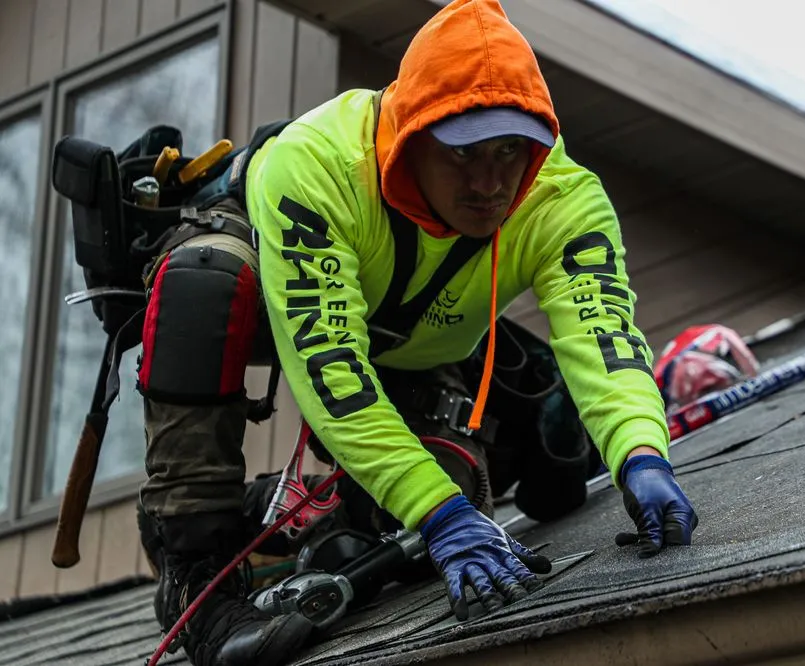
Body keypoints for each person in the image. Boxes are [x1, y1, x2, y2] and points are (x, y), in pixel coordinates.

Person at [135, 1, 698, 664]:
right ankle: (195, 566)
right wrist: (441, 519)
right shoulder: (315, 170)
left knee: (445, 493)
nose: (491, 184)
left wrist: (642, 453)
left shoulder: (563, 198)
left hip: (410, 342)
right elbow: (334, 371)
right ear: (412, 138)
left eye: (509, 151)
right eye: (464, 154)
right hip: (271, 296)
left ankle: (294, 515)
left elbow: (604, 335)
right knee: (205, 277)